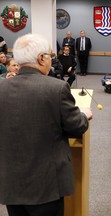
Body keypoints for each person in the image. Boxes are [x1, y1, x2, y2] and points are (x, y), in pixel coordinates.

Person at [0, 34, 92, 216]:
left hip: (12, 182)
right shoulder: (57, 88)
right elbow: (76, 127)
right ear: (41, 58)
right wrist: (84, 115)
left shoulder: (2, 88)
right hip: (47, 185)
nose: (51, 60)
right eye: (50, 56)